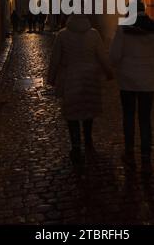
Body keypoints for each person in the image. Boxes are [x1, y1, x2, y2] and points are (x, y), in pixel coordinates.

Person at [110, 0, 154, 175]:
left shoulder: (123, 29)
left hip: (127, 80)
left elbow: (114, 55)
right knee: (145, 119)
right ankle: (146, 156)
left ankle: (129, 152)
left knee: (128, 116)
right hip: (148, 81)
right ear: (144, 10)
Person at [48, 11, 113, 165]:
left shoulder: (62, 35)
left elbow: (55, 58)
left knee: (72, 114)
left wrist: (51, 78)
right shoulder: (94, 34)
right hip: (90, 77)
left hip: (71, 77)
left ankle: (76, 145)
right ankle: (89, 140)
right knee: (88, 110)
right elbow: (102, 55)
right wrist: (109, 72)